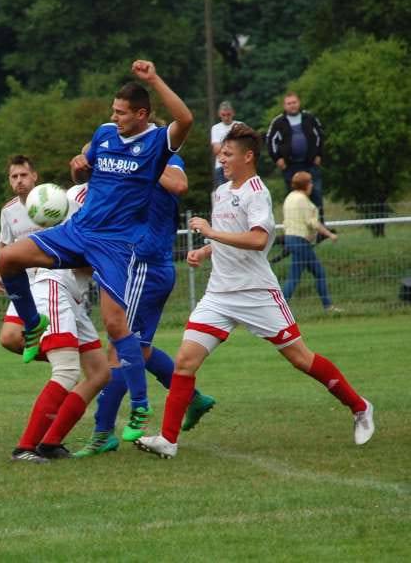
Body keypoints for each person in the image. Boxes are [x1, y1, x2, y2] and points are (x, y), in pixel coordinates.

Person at [135, 124, 374, 459]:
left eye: (228, 154)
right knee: (185, 362)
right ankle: (168, 440)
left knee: (301, 359)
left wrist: (211, 233)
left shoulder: (256, 191)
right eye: (221, 154)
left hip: (257, 292)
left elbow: (259, 239)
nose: (222, 160)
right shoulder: (220, 192)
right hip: (219, 294)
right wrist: (205, 251)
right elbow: (230, 237)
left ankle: (360, 406)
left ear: (248, 156)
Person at [0, 59, 194, 451]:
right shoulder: (104, 133)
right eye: (113, 111)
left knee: (116, 327)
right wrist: (79, 166)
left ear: (142, 114)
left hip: (115, 244)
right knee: (9, 259)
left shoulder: (157, 143)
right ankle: (33, 325)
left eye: (121, 112)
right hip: (78, 230)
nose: (114, 117)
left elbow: (185, 118)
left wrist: (154, 79)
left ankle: (139, 406)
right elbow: (87, 165)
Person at [73, 155, 216, 457]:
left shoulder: (164, 158)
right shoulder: (126, 157)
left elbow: (179, 184)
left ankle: (103, 433)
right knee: (141, 349)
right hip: (140, 264)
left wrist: (141, 162)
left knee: (120, 350)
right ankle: (192, 398)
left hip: (145, 266)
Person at [11, 183, 111, 463]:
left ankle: (50, 442)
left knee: (99, 373)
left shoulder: (107, 199)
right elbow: (79, 261)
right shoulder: (79, 198)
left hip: (73, 296)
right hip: (55, 286)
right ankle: (25, 448)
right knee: (67, 371)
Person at [0, 155, 44, 353]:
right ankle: (66, 361)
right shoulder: (8, 210)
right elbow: (4, 244)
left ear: (34, 176)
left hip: (53, 279)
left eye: (23, 174)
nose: (19, 180)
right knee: (9, 338)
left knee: (59, 335)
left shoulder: (53, 200)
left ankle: (68, 364)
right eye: (14, 176)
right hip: (25, 282)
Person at [282, 171, 340, 311]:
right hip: (300, 241)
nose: (312, 185)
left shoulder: (289, 197)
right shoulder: (302, 200)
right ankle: (280, 308)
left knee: (310, 273)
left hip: (291, 239)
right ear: (306, 185)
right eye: (310, 182)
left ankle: (327, 305)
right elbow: (312, 222)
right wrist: (329, 234)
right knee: (298, 276)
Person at [266, 92, 326, 218]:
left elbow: (320, 135)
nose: (292, 105)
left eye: (294, 102)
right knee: (294, 197)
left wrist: (319, 154)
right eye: (289, 103)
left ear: (298, 103)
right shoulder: (278, 122)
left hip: (310, 164)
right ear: (284, 105)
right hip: (290, 166)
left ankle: (320, 227)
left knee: (316, 194)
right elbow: (271, 141)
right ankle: (297, 225)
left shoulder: (309, 118)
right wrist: (277, 159)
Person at [210, 101, 239, 188]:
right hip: (221, 167)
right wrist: (233, 144)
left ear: (233, 113)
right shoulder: (216, 128)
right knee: (223, 196)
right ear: (219, 114)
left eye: (228, 114)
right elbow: (216, 150)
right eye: (223, 115)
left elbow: (243, 147)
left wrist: (223, 145)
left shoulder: (240, 125)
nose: (226, 117)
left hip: (237, 165)